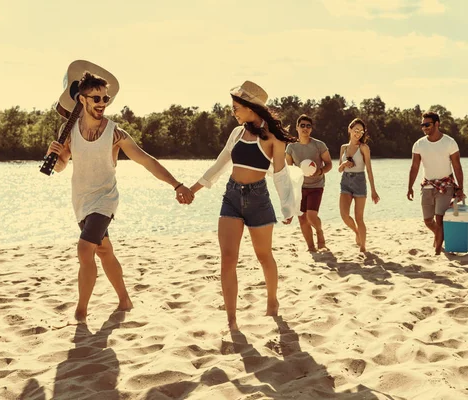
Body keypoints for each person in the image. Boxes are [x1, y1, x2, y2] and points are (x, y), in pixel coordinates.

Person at [46, 71, 194, 322]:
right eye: (96, 98)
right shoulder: (68, 129)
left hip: (105, 200)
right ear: (82, 100)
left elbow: (147, 160)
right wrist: (56, 153)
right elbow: (60, 167)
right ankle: (124, 299)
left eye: (106, 98)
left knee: (85, 250)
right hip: (81, 200)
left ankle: (81, 312)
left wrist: (177, 184)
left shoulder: (115, 134)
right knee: (103, 250)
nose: (102, 103)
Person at [189, 81, 298, 331]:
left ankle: (272, 300)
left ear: (251, 108)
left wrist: (288, 207)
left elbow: (281, 175)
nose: (233, 112)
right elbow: (219, 165)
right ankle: (231, 319)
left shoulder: (273, 139)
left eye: (236, 107)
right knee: (228, 259)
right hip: (231, 197)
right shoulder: (236, 133)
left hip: (258, 199)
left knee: (263, 255)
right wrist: (193, 189)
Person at [407, 111, 465, 255]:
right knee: (428, 221)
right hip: (427, 186)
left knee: (439, 220)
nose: (424, 127)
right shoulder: (419, 144)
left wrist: (460, 188)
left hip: (445, 186)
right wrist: (409, 187)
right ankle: (440, 235)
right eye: (422, 125)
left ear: (437, 124)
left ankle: (438, 253)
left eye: (427, 124)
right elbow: (414, 167)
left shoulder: (449, 142)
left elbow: (457, 166)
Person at [285, 114, 333, 251]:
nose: (305, 128)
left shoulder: (319, 145)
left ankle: (319, 231)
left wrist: (319, 171)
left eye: (308, 126)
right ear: (297, 127)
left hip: (316, 186)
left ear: (311, 129)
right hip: (299, 187)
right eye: (302, 125)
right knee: (302, 219)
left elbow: (329, 164)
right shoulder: (291, 148)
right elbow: (289, 170)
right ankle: (311, 247)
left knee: (311, 216)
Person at [338, 118, 380, 252]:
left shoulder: (363, 148)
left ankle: (363, 246)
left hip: (360, 181)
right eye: (356, 130)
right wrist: (344, 164)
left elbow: (369, 169)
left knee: (359, 217)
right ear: (349, 129)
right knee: (344, 215)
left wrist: (373, 190)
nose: (358, 134)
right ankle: (357, 232)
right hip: (345, 181)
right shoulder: (343, 148)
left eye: (361, 132)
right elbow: (339, 169)